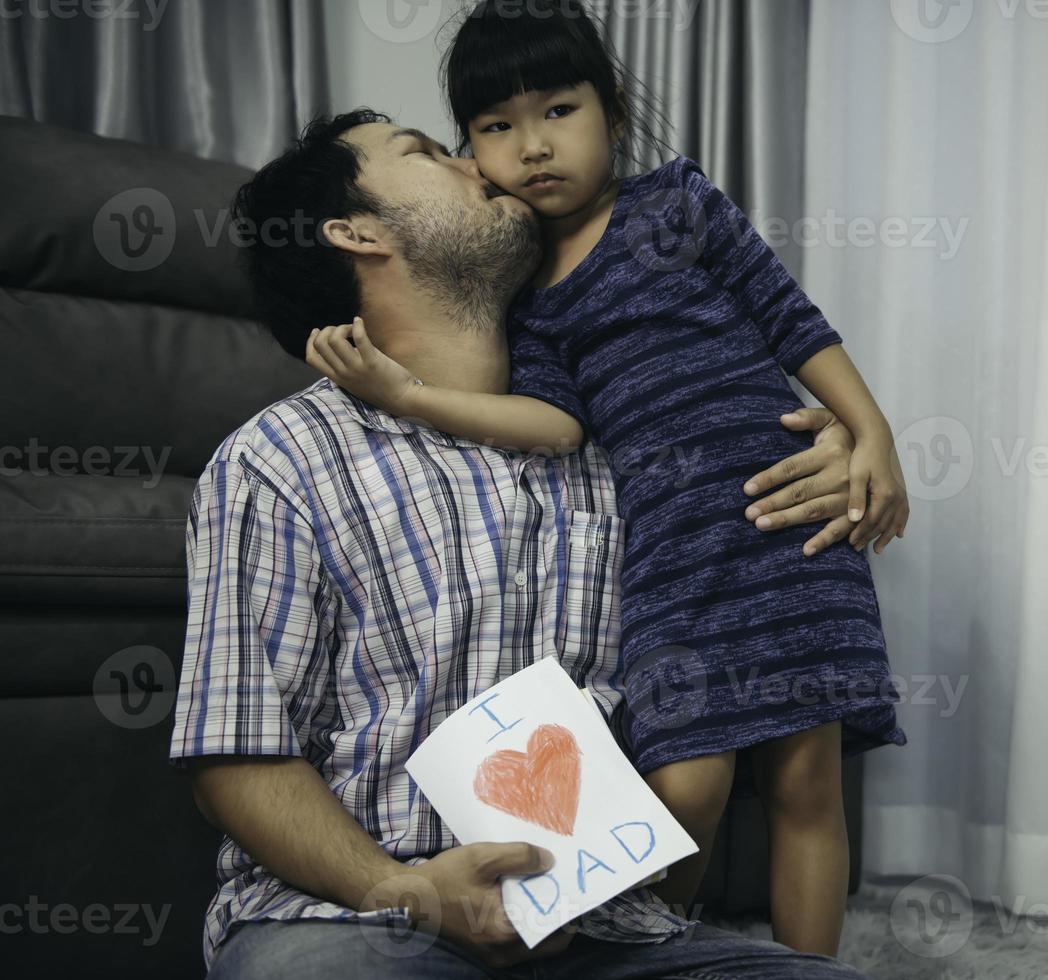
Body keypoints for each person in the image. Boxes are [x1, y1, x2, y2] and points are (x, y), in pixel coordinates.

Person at [168, 108, 875, 979]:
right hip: (360, 923)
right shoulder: (282, 462)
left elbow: (763, 445)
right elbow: (233, 755)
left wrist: (828, 448)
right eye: (428, 153)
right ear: (356, 232)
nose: (481, 163)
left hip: (603, 929)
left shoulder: (632, 437)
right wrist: (406, 890)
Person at [305, 2, 910, 956]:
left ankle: (804, 971)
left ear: (613, 115)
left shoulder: (676, 205)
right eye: (498, 127)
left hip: (791, 526)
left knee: (805, 786)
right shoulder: (527, 291)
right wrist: (411, 396)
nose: (533, 146)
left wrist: (870, 431)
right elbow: (552, 423)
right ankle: (660, 950)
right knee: (685, 788)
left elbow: (790, 320)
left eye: (559, 111)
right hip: (671, 561)